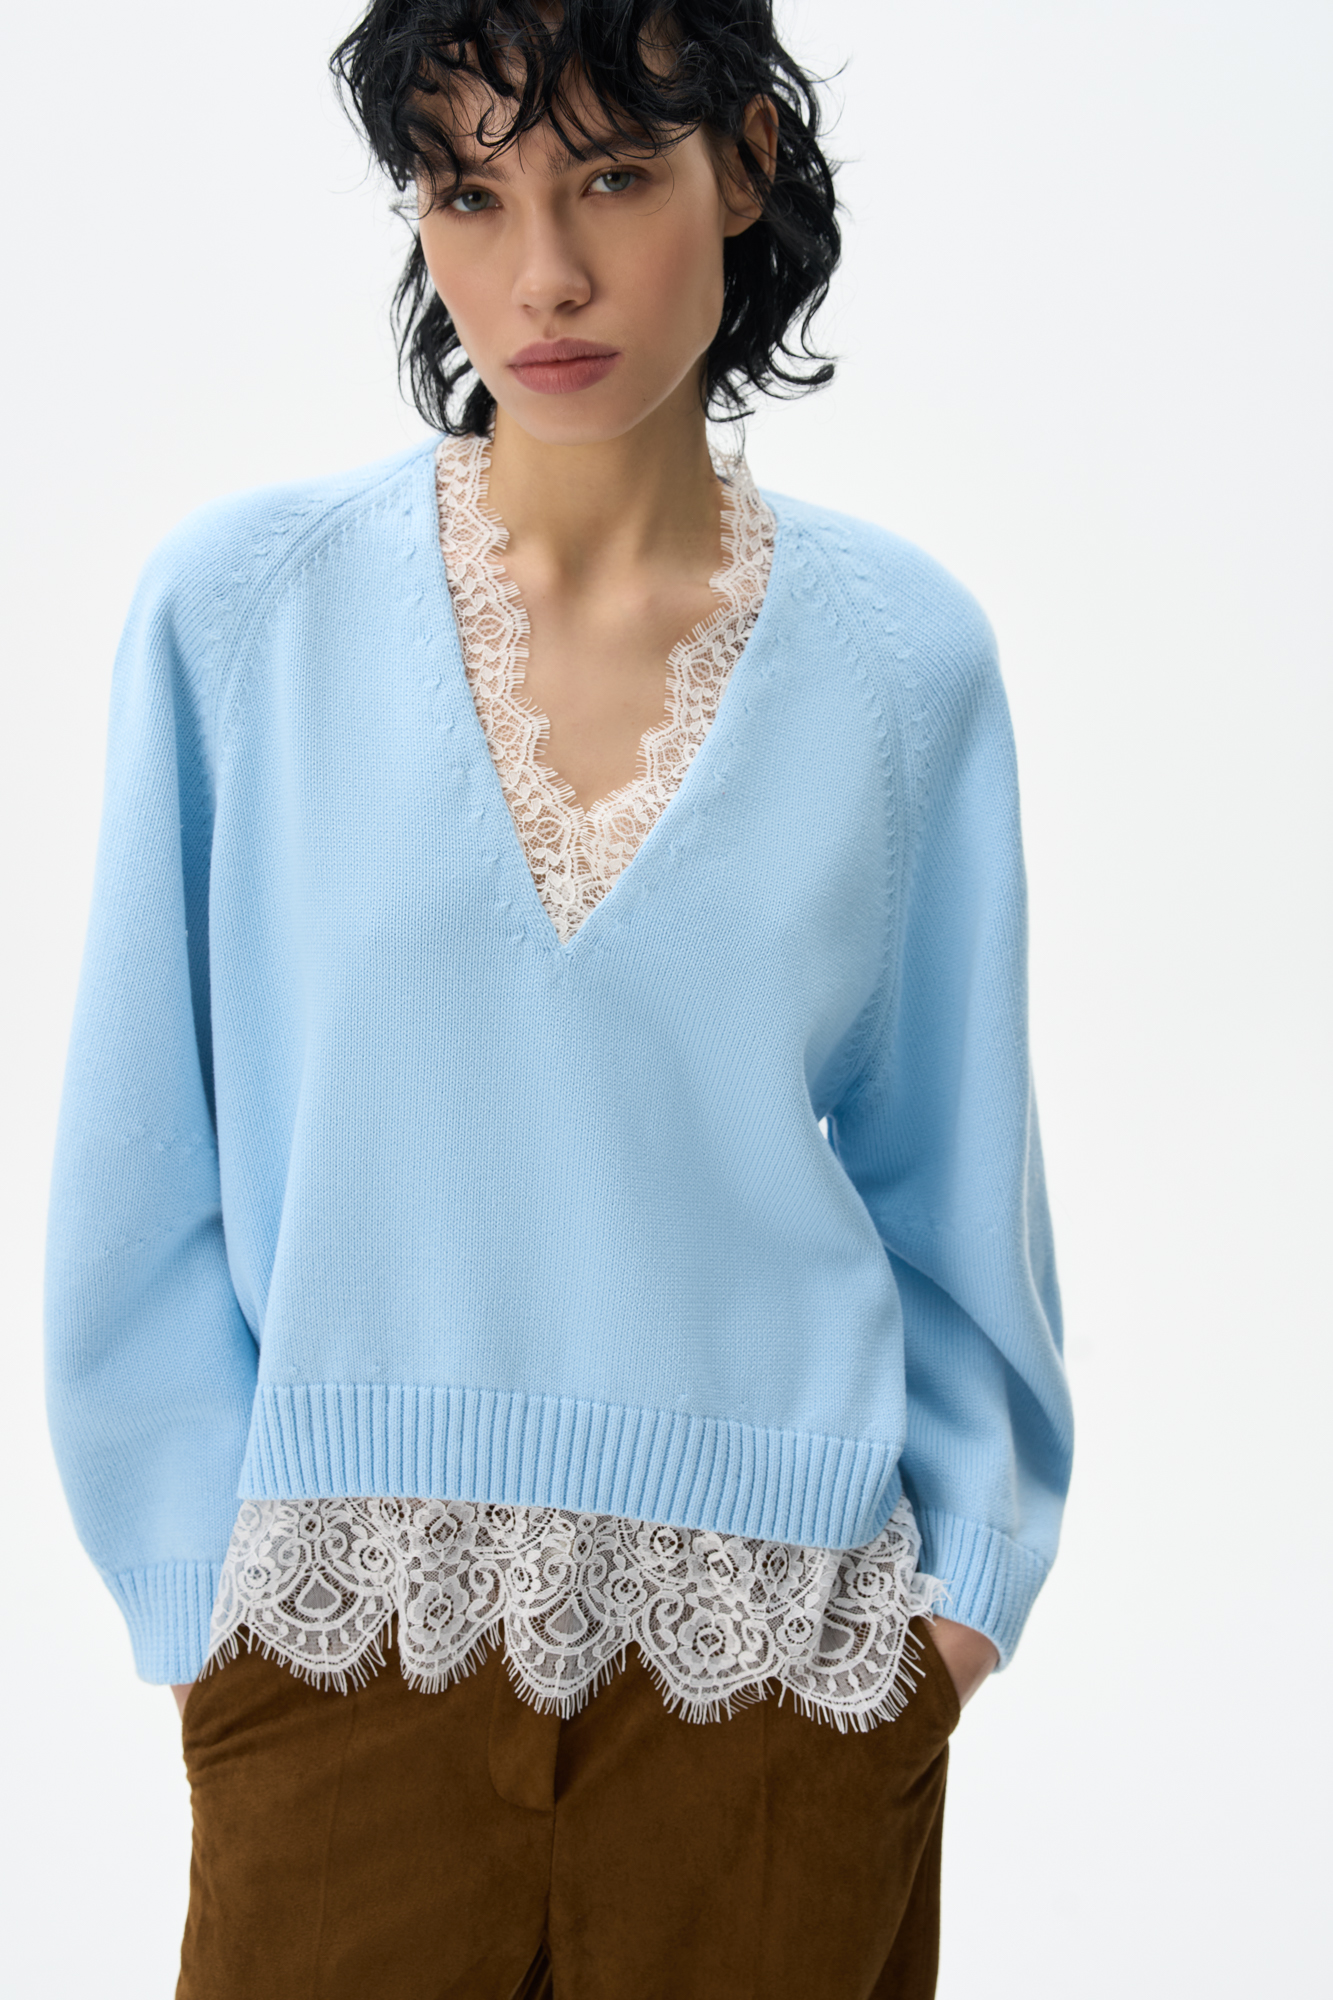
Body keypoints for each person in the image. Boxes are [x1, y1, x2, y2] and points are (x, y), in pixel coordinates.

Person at [44, 3, 1073, 1995]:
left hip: (778, 1679)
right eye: (467, 194)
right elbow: (138, 1149)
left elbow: (964, 1192)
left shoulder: (901, 664)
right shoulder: (240, 617)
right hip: (337, 1660)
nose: (544, 275)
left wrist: (947, 1615)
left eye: (609, 176)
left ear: (744, 167)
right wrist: (201, 1601)